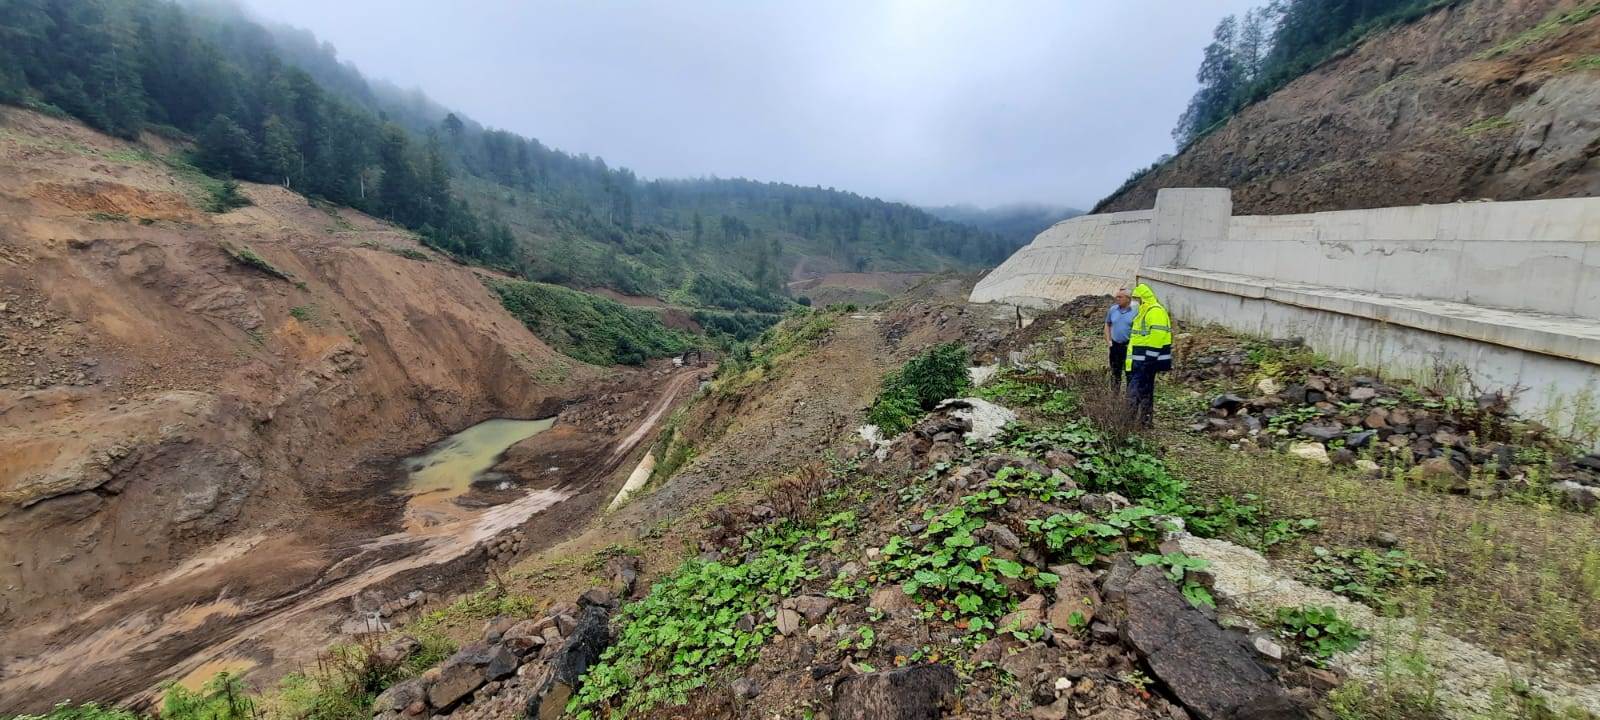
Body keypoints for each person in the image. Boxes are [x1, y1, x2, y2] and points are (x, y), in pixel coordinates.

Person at [1124, 283, 1173, 427]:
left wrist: (1149, 359)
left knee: (1134, 391)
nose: (1135, 302)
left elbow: (1157, 337)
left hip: (1145, 361)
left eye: (1137, 299)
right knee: (1145, 391)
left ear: (1143, 299)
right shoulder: (1143, 313)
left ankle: (1127, 423)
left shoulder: (1154, 312)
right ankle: (1145, 422)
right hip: (1138, 360)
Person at [1104, 288, 1136, 389]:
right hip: (1115, 346)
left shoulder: (1136, 312)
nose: (1117, 299)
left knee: (1129, 373)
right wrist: (1109, 341)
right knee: (1115, 372)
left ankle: (1129, 398)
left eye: (1120, 297)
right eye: (1116, 297)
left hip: (1129, 347)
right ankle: (1114, 397)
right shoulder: (1113, 309)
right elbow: (1107, 324)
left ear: (1128, 299)